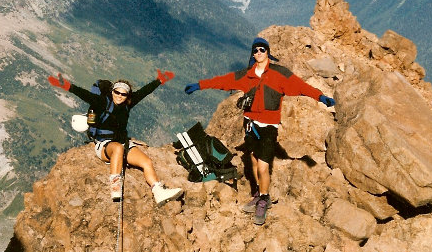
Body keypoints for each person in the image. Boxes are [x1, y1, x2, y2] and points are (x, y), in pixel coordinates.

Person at [184, 37, 335, 225]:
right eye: (255, 50)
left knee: (263, 167)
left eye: (262, 50)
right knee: (254, 163)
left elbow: (301, 87)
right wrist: (200, 85)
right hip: (250, 126)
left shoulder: (280, 74)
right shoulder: (247, 75)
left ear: (268, 52)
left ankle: (264, 199)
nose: (258, 53)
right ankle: (258, 194)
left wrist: (320, 97)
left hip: (268, 128)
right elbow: (224, 81)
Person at [48, 70, 184, 206]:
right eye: (116, 92)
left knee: (146, 162)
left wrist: (159, 81)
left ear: (127, 95)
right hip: (104, 145)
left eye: (123, 94)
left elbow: (144, 92)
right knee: (118, 148)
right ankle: (115, 188)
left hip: (123, 144)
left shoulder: (127, 104)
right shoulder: (102, 102)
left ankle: (159, 192)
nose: (119, 96)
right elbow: (85, 95)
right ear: (112, 91)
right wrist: (65, 85)